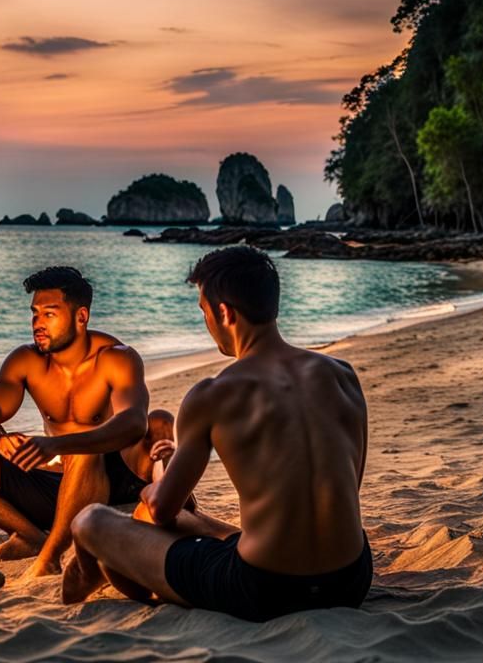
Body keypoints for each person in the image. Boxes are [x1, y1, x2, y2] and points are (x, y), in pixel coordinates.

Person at [63, 246, 372, 621]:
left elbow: (161, 510)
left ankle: (86, 573)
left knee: (91, 520)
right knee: (191, 521)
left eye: (204, 312)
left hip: (264, 588)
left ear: (224, 312)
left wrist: (153, 481)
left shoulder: (213, 394)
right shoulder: (342, 375)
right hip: (351, 579)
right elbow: (346, 488)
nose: (207, 323)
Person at [0, 266, 174, 579]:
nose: (38, 323)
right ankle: (31, 537)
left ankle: (50, 557)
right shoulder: (26, 361)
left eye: (49, 314)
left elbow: (134, 423)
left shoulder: (116, 357)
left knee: (158, 422)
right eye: (35, 313)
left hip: (112, 479)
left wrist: (58, 443)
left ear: (81, 317)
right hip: (56, 484)